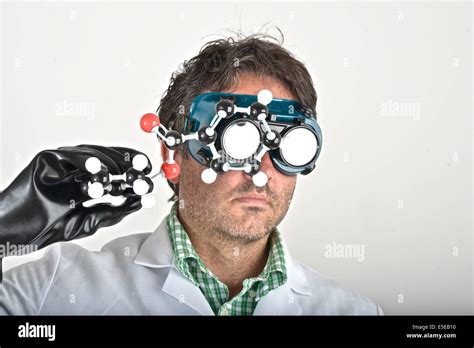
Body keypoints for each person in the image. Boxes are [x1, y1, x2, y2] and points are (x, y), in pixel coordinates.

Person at [0, 33, 383, 315]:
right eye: (239, 141)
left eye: (286, 146)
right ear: (174, 152)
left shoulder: (353, 313)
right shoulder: (53, 293)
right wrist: (3, 232)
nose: (262, 170)